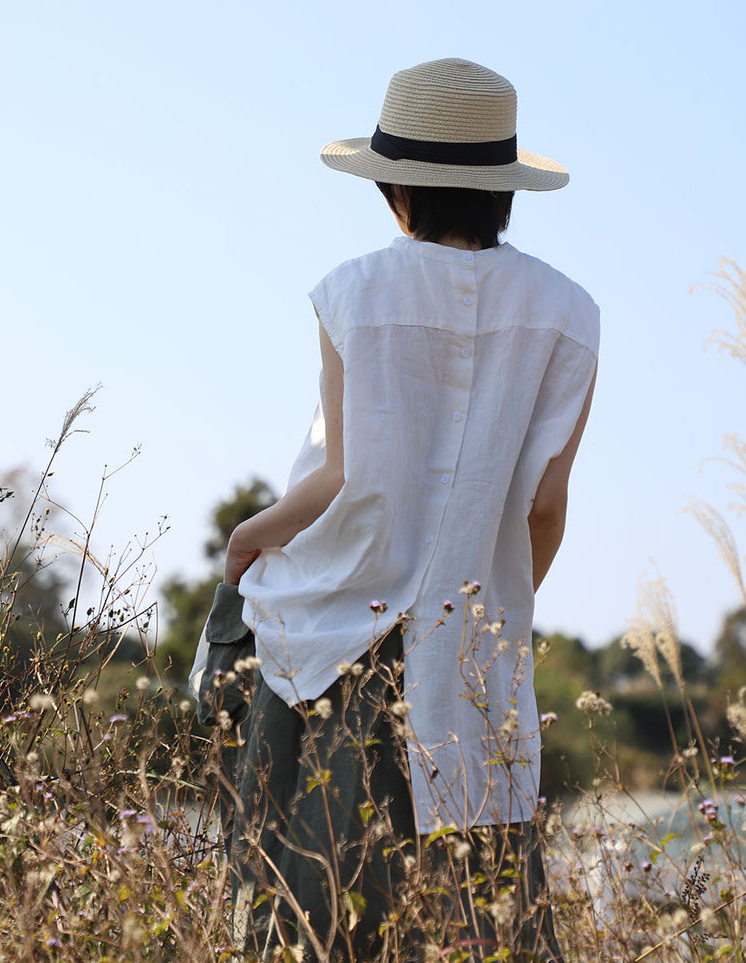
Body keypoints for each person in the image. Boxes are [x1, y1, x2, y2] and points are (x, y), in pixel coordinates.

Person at [194, 58, 597, 959]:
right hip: (470, 646)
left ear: (397, 189)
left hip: (336, 628)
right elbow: (542, 505)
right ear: (500, 191)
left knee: (306, 891)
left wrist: (247, 537)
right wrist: (487, 607)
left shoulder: (354, 293)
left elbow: (340, 477)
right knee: (472, 900)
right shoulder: (570, 315)